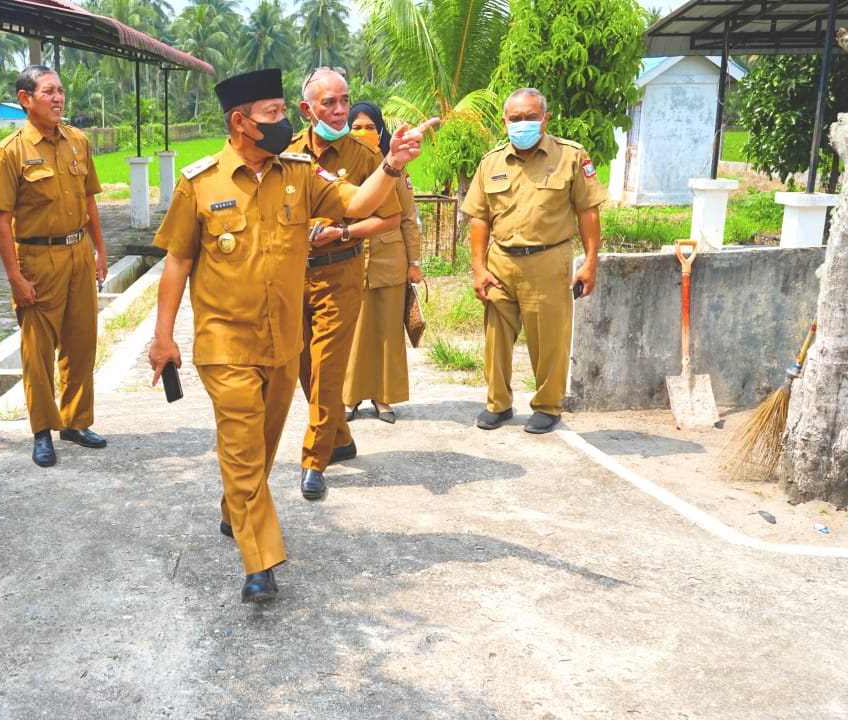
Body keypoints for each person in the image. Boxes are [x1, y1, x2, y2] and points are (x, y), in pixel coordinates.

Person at [148, 67, 435, 604]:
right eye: (273, 114)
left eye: (283, 111)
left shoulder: (300, 174)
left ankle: (233, 507)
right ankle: (261, 565)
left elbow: (356, 203)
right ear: (240, 122)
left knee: (255, 449)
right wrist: (163, 337)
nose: (284, 122)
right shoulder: (200, 183)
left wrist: (393, 163)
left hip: (283, 345)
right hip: (224, 344)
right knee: (239, 444)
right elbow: (177, 261)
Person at [461, 87, 608, 434]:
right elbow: (479, 219)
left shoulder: (571, 156)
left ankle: (547, 405)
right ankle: (498, 404)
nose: (522, 124)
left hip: (548, 261)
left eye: (530, 117)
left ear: (545, 119)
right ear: (504, 121)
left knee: (549, 340)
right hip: (500, 261)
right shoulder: (491, 163)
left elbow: (588, 211)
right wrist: (479, 268)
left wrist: (590, 263)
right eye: (515, 118)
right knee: (495, 338)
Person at [285, 68, 400, 502]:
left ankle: (314, 460)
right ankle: (340, 437)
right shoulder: (286, 153)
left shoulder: (368, 156)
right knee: (301, 364)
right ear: (306, 109)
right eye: (327, 103)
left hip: (341, 271)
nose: (338, 111)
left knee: (327, 368)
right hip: (293, 274)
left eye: (343, 101)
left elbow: (390, 215)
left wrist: (345, 233)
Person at [0, 65, 109, 468]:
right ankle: (42, 430)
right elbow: (1, 221)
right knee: (37, 351)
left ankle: (75, 421)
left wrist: (100, 251)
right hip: (37, 259)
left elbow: (90, 200)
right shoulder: (11, 151)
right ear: (25, 99)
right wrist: (15, 278)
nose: (58, 98)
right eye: (48, 92)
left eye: (60, 91)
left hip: (78, 253)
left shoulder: (78, 141)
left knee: (81, 342)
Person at [342, 101, 425, 424]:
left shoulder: (397, 169)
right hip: (348, 261)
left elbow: (408, 218)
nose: (363, 133)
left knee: (387, 333)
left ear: (381, 132)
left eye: (370, 127)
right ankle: (349, 398)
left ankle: (384, 398)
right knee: (351, 334)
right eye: (356, 127)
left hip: (390, 262)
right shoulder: (339, 167)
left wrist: (414, 263)